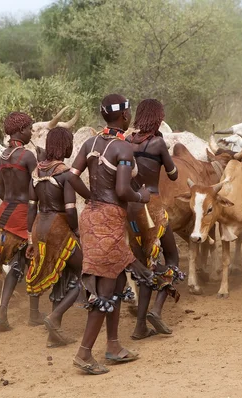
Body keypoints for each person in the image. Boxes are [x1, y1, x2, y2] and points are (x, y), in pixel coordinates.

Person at [68, 94, 154, 375]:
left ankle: (114, 346)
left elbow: (71, 176)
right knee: (105, 291)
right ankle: (83, 354)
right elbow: (122, 191)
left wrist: (90, 196)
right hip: (109, 220)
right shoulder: (122, 149)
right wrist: (141, 196)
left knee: (117, 282)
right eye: (128, 112)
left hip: (91, 217)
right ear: (125, 116)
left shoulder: (90, 143)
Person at [0, 112, 44, 331]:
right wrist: (42, 161)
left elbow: (1, 190)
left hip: (6, 213)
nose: (31, 132)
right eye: (29, 128)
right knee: (34, 259)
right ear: (21, 130)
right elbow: (39, 187)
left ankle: (3, 311)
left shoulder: (3, 156)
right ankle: (32, 314)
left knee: (17, 262)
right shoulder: (28, 157)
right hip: (24, 215)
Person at [26, 126, 91, 348]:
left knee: (59, 277)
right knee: (85, 273)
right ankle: (54, 318)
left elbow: (31, 208)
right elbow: (71, 210)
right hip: (58, 228)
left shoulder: (36, 172)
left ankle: (54, 336)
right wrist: (77, 232)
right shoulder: (64, 173)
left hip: (39, 229)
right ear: (65, 145)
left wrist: (29, 238)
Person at [126, 99, 185, 340]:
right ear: (158, 118)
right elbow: (173, 174)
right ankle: (157, 310)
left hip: (130, 208)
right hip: (152, 206)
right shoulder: (158, 143)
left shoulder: (127, 142)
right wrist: (163, 153)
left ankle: (140, 327)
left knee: (144, 266)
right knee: (172, 257)